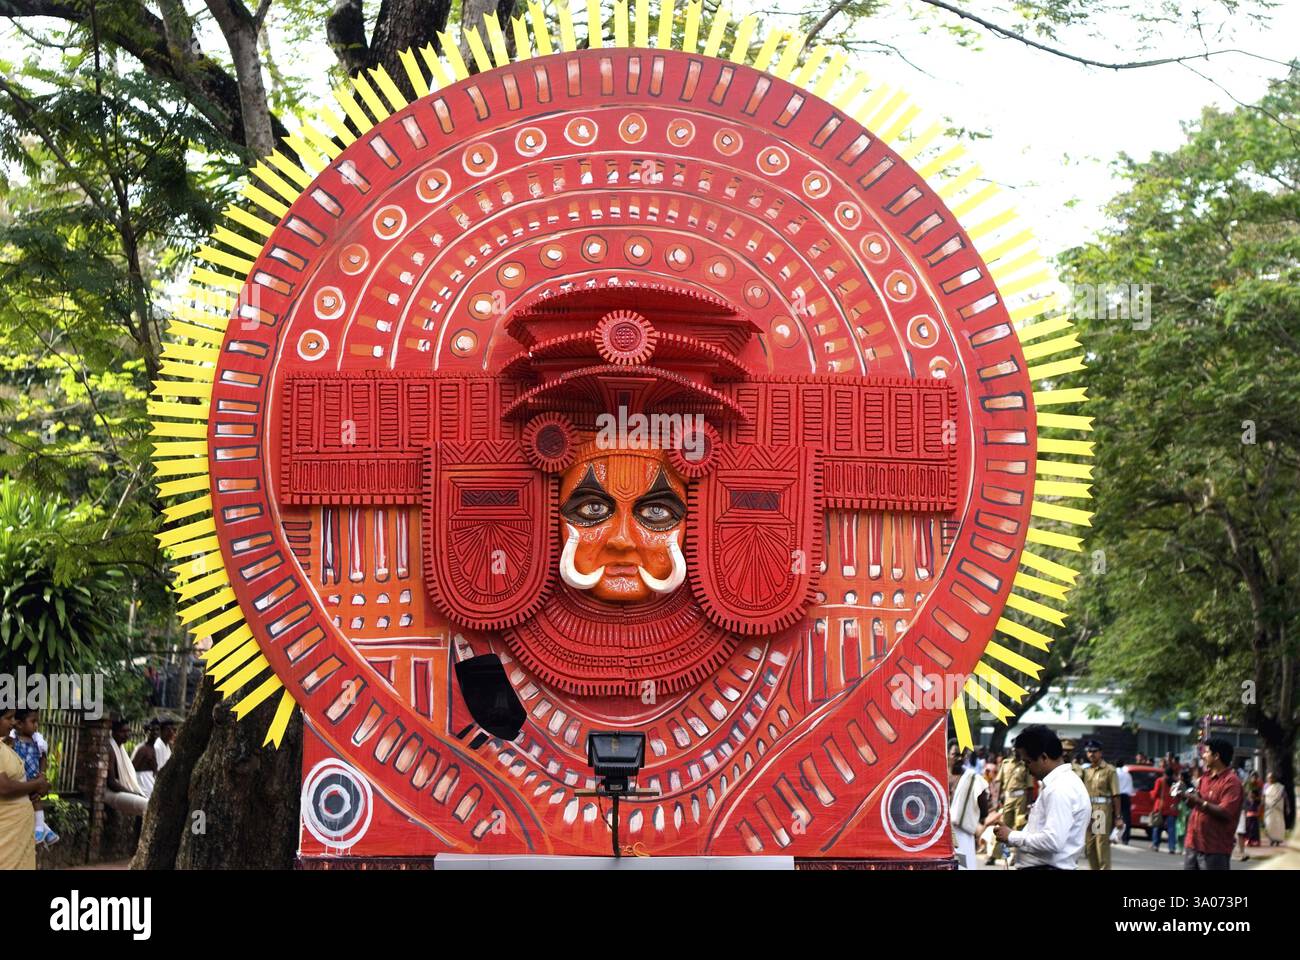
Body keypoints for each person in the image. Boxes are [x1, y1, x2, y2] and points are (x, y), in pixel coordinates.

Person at [990, 725, 1091, 870]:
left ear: (1043, 757)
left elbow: (1052, 841)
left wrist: (1012, 836)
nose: (1027, 769)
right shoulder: (1061, 783)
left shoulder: (1060, 788)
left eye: (1027, 762)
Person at [1183, 738, 1244, 871]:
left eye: (1206, 752)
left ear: (1216, 756)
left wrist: (1199, 801)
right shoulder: (1205, 778)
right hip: (1193, 844)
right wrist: (1188, 799)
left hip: (1215, 849)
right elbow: (1198, 804)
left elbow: (1226, 812)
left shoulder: (1231, 782)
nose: (1203, 756)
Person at [0, 708, 49, 869]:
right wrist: (36, 785)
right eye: (9, 718)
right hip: (6, 837)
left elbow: (20, 782)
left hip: (17, 837)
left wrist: (38, 788)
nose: (13, 722)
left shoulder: (5, 746)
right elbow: (4, 787)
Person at [10, 710, 58, 846]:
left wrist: (42, 774)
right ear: (19, 724)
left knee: (35, 800)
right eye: (33, 722)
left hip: (33, 776)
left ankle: (39, 829)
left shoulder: (38, 740)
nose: (36, 725)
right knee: (28, 803)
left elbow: (43, 757)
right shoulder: (13, 739)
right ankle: (46, 830)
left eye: (37, 721)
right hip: (20, 777)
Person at [1081, 740, 1123, 870]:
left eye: (1094, 751)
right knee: (1089, 845)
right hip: (1088, 810)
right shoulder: (1085, 771)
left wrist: (1118, 817)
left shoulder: (1109, 770)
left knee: (1101, 844)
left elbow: (1116, 795)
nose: (1091, 754)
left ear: (1100, 753)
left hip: (1101, 810)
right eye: (1089, 751)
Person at [988, 748, 1034, 865]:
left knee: (1019, 826)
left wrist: (1028, 804)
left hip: (1021, 798)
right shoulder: (1005, 763)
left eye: (1017, 750)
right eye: (1013, 749)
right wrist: (996, 800)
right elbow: (999, 782)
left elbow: (1029, 787)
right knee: (1002, 824)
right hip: (1008, 798)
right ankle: (994, 855)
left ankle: (1014, 855)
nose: (1015, 752)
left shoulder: (1025, 765)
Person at [948, 741, 989, 870]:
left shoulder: (973, 779)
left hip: (962, 834)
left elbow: (984, 810)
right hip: (940, 835)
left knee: (962, 866)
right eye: (955, 754)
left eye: (963, 755)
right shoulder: (939, 775)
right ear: (947, 754)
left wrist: (969, 817)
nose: (959, 758)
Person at [104, 718, 149, 818]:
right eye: (123, 731)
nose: (127, 734)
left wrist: (135, 793)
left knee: (148, 801)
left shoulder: (121, 748)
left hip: (118, 791)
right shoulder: (111, 749)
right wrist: (133, 794)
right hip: (108, 793)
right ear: (113, 732)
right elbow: (111, 783)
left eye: (128, 731)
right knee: (146, 805)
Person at [1150, 767, 1179, 855]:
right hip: (1171, 808)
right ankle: (1172, 847)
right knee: (1171, 829)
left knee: (1157, 826)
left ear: (1164, 773)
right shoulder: (1175, 783)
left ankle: (1155, 845)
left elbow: (1154, 794)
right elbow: (1176, 797)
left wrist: (1151, 794)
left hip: (1160, 807)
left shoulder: (1160, 781)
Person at [131, 719, 161, 798]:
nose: (155, 732)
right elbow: (132, 769)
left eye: (157, 729)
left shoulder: (153, 748)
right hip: (143, 789)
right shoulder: (142, 749)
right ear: (145, 732)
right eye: (152, 730)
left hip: (150, 786)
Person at [1263, 772, 1286, 845]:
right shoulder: (1266, 786)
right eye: (1269, 778)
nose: (1270, 779)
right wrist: (1262, 804)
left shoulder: (1280, 787)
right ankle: (1271, 839)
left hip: (1278, 809)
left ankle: (1277, 840)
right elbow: (1263, 796)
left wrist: (1288, 806)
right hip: (1268, 808)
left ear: (1275, 778)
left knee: (1278, 824)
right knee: (1269, 823)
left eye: (1271, 777)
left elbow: (1284, 796)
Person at [1117, 759, 1135, 844]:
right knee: (1126, 818)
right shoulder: (1128, 775)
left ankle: (1113, 835)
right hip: (1126, 796)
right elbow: (1131, 788)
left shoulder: (1114, 773)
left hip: (1116, 795)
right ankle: (1126, 838)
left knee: (1114, 815)